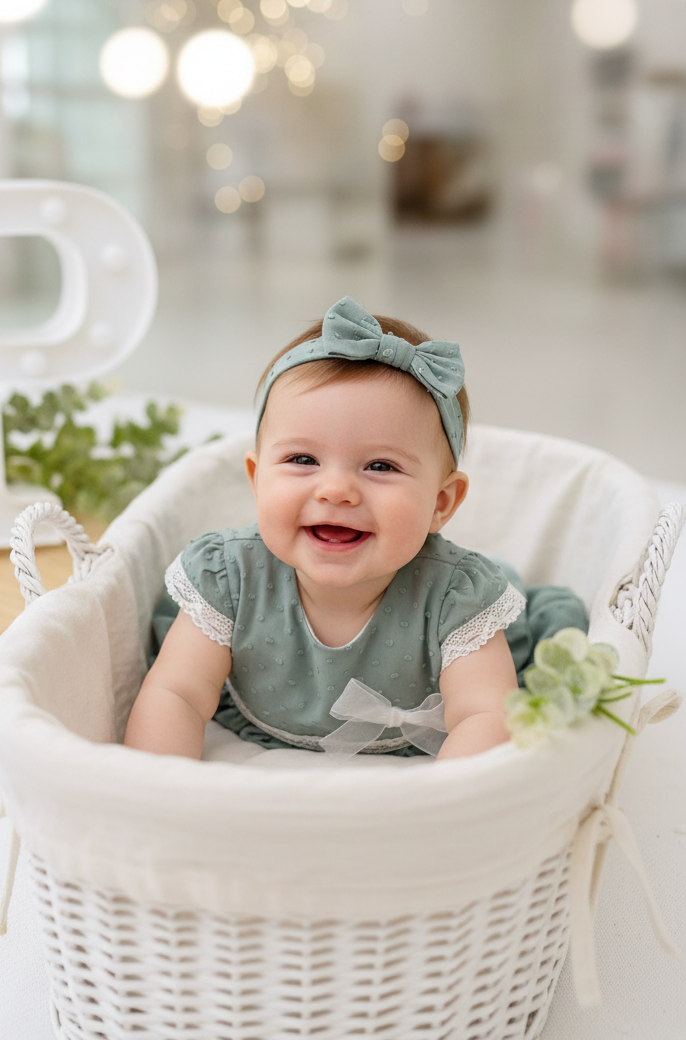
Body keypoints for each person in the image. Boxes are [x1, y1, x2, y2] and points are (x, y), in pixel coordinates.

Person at [124, 296, 587, 762]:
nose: (337, 490)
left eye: (381, 466)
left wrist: (443, 813)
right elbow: (176, 694)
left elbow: (485, 717)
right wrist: (160, 792)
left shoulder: (457, 600)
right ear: (256, 478)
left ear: (440, 503)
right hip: (259, 715)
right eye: (302, 459)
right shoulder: (230, 577)